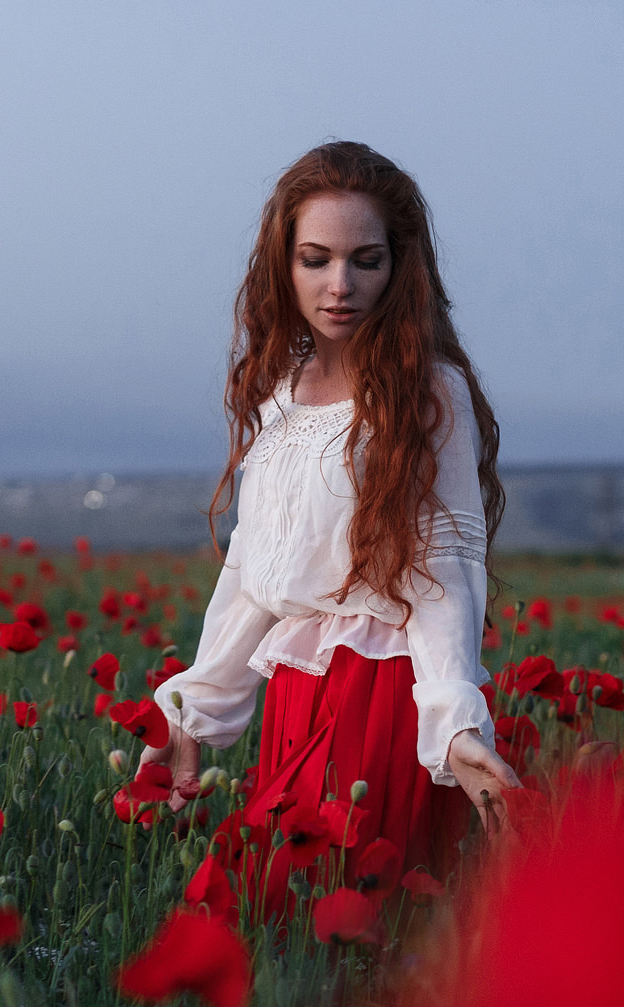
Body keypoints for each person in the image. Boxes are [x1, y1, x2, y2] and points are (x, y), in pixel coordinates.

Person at [142, 141, 521, 887]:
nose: (339, 284)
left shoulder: (427, 393)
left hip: (379, 693)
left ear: (399, 267)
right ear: (283, 265)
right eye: (315, 258)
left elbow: (442, 570)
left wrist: (454, 720)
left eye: (365, 260)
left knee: (308, 915)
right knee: (287, 936)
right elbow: (257, 567)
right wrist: (190, 708)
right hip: (294, 687)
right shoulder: (281, 391)